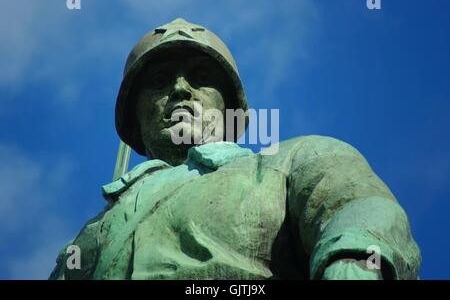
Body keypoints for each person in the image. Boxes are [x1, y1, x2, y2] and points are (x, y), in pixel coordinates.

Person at [50, 18, 420, 280]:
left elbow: (363, 212)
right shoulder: (91, 235)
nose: (180, 89)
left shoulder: (295, 160)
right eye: (160, 81)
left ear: (229, 109)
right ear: (135, 117)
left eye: (200, 77)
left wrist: (351, 265)